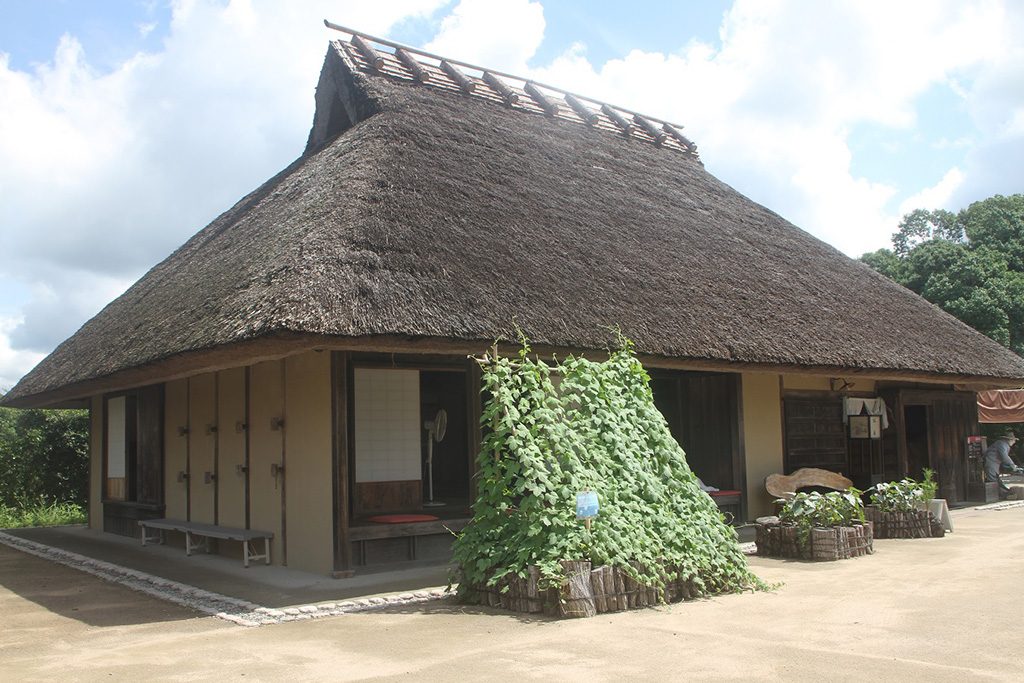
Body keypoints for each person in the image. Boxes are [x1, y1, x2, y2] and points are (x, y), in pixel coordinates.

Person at [983, 432, 1024, 499]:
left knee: (998, 481)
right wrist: (1012, 465)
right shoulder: (1002, 444)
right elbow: (1004, 456)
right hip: (991, 463)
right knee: (993, 481)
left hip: (994, 464)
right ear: (1010, 440)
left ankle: (1007, 493)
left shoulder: (1003, 444)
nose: (1014, 442)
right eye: (1014, 440)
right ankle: (1005, 495)